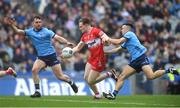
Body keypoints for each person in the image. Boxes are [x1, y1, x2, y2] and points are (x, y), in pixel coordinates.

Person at [4, 16, 78, 98]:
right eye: (36, 22)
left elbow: (58, 38)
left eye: (40, 22)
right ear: (33, 23)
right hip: (41, 57)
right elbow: (18, 31)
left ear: (42, 23)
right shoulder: (30, 32)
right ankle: (37, 91)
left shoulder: (46, 31)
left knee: (60, 76)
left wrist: (66, 42)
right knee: (34, 70)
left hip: (51, 56)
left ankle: (70, 82)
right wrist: (12, 25)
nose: (38, 24)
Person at [102, 23, 179, 100]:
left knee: (151, 76)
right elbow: (116, 50)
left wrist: (107, 38)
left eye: (122, 28)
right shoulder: (126, 41)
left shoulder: (130, 34)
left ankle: (169, 70)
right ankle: (113, 95)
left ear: (127, 29)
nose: (121, 30)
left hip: (141, 57)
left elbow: (118, 42)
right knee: (122, 77)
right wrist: (105, 52)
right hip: (134, 61)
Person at [72, 17, 118, 99]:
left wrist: (106, 40)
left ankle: (110, 74)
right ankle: (97, 94)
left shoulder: (96, 31)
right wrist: (69, 52)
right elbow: (78, 48)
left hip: (99, 59)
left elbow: (106, 39)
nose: (80, 28)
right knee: (86, 77)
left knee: (91, 81)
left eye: (81, 26)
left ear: (86, 25)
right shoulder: (84, 36)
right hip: (92, 58)